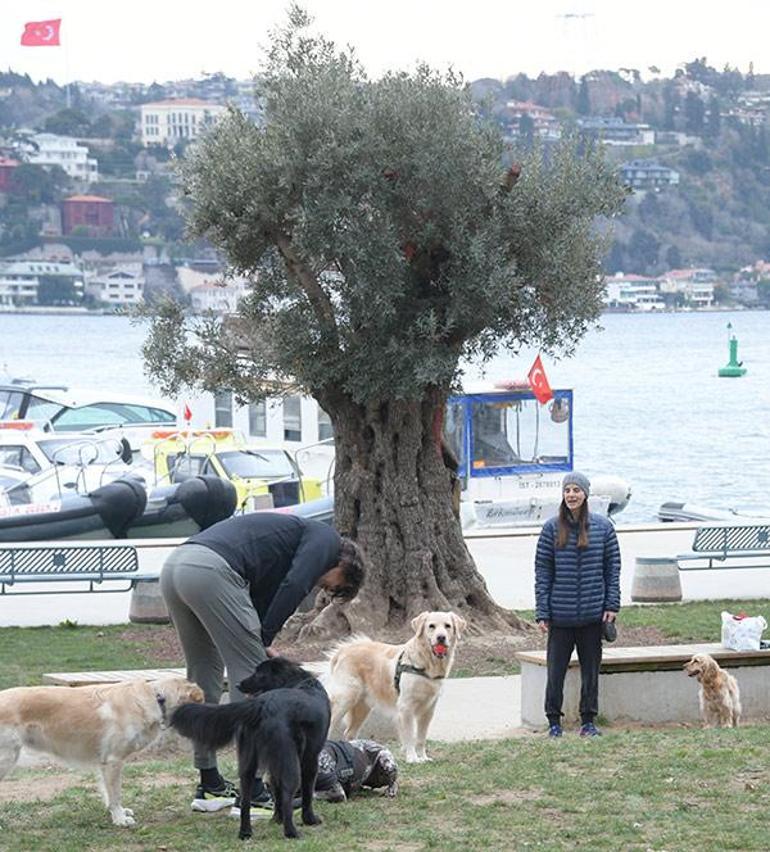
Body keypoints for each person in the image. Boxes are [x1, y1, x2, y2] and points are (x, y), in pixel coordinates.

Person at [160, 511, 366, 813]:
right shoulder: (327, 540)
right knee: (255, 680)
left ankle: (209, 784)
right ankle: (254, 789)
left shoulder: (286, 543)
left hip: (177, 566)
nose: (327, 588)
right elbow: (296, 583)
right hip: (212, 571)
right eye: (336, 586)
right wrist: (264, 639)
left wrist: (258, 635)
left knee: (204, 674)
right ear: (345, 565)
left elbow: (256, 601)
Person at [534, 472, 620, 738]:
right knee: (555, 673)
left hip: (593, 616)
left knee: (591, 673)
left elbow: (612, 569)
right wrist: (542, 612)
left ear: (585, 494)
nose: (571, 494)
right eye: (567, 490)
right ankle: (554, 722)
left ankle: (588, 721)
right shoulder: (550, 528)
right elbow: (542, 572)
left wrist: (611, 605)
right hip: (560, 617)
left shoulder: (604, 527)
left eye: (576, 490)